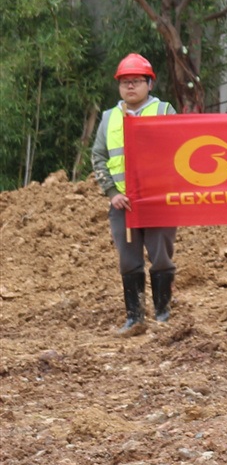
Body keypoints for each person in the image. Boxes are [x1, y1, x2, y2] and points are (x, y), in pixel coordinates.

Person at [90, 54, 177, 336]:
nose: (130, 87)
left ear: (149, 84)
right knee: (129, 259)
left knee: (161, 256)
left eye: (137, 81)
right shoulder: (109, 118)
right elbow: (99, 157)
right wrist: (112, 192)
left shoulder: (165, 112)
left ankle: (163, 314)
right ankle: (135, 316)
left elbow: (180, 151)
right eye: (125, 82)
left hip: (158, 202)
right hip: (123, 203)